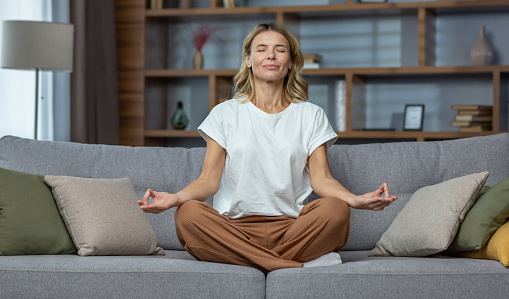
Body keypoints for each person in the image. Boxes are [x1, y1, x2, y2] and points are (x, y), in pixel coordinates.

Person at [138, 23, 397, 273]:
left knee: (336, 210)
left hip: (293, 230)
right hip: (232, 228)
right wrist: (176, 198)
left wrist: (354, 199)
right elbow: (208, 180)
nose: (270, 55)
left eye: (280, 49)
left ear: (291, 62)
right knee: (188, 215)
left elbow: (322, 179)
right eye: (261, 49)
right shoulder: (224, 113)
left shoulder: (311, 115)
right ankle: (296, 265)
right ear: (248, 59)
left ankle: (246, 259)